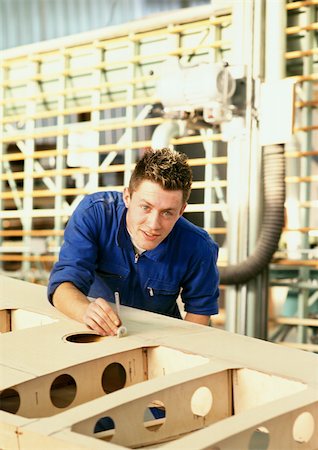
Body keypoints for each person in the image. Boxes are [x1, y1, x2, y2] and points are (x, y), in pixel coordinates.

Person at [48, 147, 219, 336]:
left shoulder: (199, 247)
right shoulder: (94, 214)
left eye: (167, 213)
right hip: (93, 330)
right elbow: (62, 286)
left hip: (160, 338)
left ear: (181, 210)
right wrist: (85, 312)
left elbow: (199, 313)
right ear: (127, 197)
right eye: (146, 207)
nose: (153, 224)